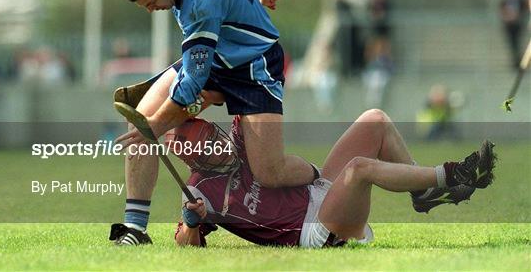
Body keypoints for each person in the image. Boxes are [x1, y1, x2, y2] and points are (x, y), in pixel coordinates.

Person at [114, 0, 317, 237]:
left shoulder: (198, 0)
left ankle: (325, 177)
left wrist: (157, 125)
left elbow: (194, 81)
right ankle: (135, 228)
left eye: (151, 1)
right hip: (214, 55)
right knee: (139, 118)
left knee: (269, 172)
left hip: (253, 66)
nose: (151, 10)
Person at [110, 106, 496, 247]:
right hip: (316, 229)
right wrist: (193, 221)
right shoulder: (198, 190)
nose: (216, 144)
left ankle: (423, 195)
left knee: (375, 121)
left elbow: (243, 86)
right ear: (196, 160)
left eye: (212, 134)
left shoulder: (243, 139)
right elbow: (184, 242)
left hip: (319, 190)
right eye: (205, 147)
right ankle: (451, 175)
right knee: (359, 169)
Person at [499, 0, 528, 69]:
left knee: (518, 44)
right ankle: (516, 62)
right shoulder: (504, 1)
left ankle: (520, 62)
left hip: (518, 25)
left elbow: (524, 11)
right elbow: (501, 11)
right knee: (513, 44)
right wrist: (507, 17)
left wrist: (517, 16)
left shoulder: (521, 1)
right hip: (509, 26)